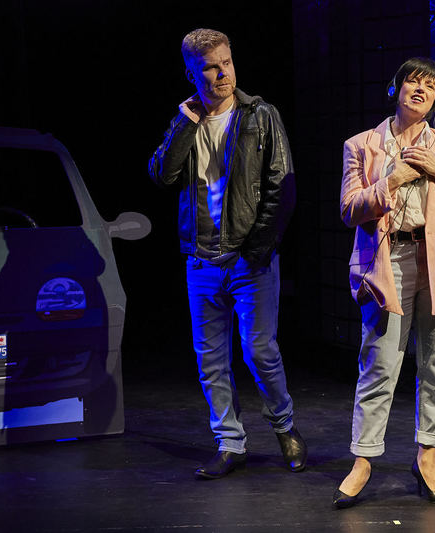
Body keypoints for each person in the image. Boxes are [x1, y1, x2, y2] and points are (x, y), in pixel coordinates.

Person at [148, 28, 305, 480]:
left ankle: (285, 426)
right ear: (191, 75)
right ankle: (230, 443)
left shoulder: (261, 115)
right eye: (210, 68)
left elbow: (282, 188)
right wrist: (185, 123)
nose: (222, 74)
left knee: (259, 351)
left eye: (227, 63)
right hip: (200, 259)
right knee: (211, 360)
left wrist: (257, 250)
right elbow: (161, 174)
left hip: (249, 259)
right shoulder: (187, 122)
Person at [334, 57, 435, 508]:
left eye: (430, 86)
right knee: (379, 366)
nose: (420, 90)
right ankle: (363, 460)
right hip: (387, 262)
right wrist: (391, 180)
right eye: (413, 81)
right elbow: (349, 209)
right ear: (396, 88)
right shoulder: (361, 145)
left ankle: (427, 457)